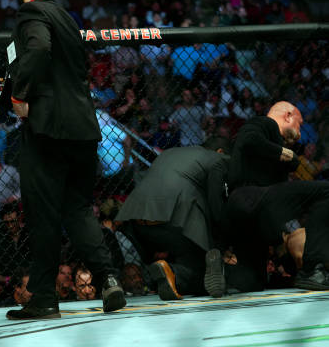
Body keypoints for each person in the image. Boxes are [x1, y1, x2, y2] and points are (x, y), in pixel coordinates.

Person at [0, 0, 126, 319]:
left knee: (43, 214)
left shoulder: (30, 15)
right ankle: (109, 279)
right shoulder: (68, 18)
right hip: (83, 128)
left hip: (47, 130)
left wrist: (19, 97)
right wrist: (0, 95)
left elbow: (37, 51)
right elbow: (54, 73)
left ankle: (44, 298)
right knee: (80, 209)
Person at [226, 101, 329, 291]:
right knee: (325, 190)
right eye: (299, 123)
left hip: (244, 213)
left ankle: (217, 271)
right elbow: (249, 139)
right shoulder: (266, 124)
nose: (300, 130)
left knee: (251, 282)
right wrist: (287, 155)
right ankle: (313, 269)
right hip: (249, 196)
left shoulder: (272, 147)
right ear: (288, 116)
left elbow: (279, 202)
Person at [115, 138, 231, 300]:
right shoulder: (218, 159)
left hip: (137, 219)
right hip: (173, 219)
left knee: (187, 252)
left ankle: (163, 275)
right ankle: (174, 273)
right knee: (201, 271)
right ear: (220, 152)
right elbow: (216, 205)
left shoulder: (170, 152)